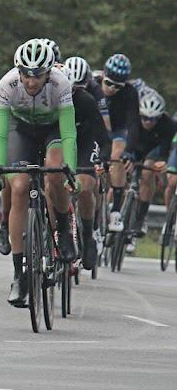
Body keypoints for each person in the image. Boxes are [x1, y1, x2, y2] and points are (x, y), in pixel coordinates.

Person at [0, 38, 77, 307]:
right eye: (26, 74)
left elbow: (69, 134)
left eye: (37, 75)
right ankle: (18, 275)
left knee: (56, 173)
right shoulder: (7, 85)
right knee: (19, 187)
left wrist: (70, 169)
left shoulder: (61, 84)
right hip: (21, 130)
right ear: (19, 71)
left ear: (49, 72)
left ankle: (61, 228)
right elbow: (0, 135)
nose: (31, 81)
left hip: (51, 131)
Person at [63, 57, 112, 269]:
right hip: (59, 142)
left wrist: (104, 158)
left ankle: (88, 234)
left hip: (84, 142)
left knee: (83, 186)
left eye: (74, 91)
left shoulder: (86, 100)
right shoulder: (48, 99)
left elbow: (103, 136)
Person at [124, 90, 175, 252]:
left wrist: (162, 162)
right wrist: (127, 155)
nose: (148, 122)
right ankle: (114, 210)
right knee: (120, 170)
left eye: (152, 119)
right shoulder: (133, 118)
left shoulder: (168, 124)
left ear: (159, 117)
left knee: (147, 173)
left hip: (153, 150)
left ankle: (139, 219)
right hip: (134, 146)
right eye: (144, 117)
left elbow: (166, 148)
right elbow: (128, 138)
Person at [99, 53, 139, 234]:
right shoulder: (92, 82)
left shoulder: (130, 93)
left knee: (118, 155)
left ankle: (115, 209)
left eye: (117, 86)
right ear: (103, 76)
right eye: (108, 83)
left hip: (118, 130)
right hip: (95, 128)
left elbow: (133, 124)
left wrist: (129, 151)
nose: (112, 88)